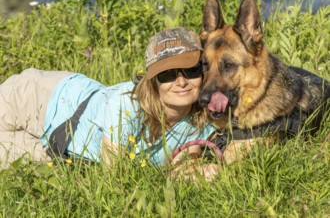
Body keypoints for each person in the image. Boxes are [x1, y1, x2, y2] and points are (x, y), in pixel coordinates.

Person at [0, 27, 219, 172]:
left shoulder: (198, 119)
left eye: (190, 71)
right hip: (39, 97)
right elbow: (114, 175)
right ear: (153, 81)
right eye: (168, 74)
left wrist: (204, 174)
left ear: (203, 72)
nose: (181, 82)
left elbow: (183, 171)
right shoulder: (127, 105)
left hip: (55, 147)